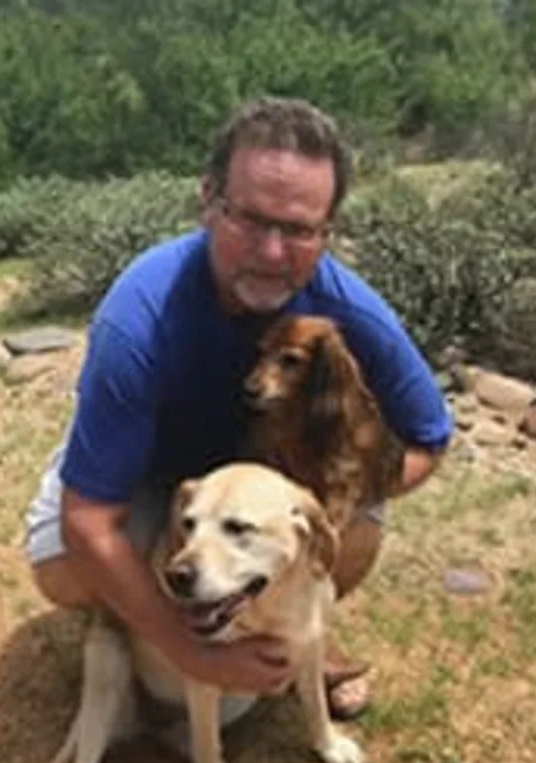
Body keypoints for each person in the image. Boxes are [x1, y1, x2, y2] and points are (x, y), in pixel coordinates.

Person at [24, 97, 452, 721]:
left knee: (352, 523)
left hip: (263, 479)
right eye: (250, 220)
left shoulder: (346, 313)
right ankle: (138, 628)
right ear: (208, 201)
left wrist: (337, 498)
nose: (273, 252)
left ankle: (295, 627)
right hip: (147, 469)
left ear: (326, 231)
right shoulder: (139, 317)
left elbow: (429, 437)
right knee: (64, 564)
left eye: (300, 230)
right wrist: (191, 656)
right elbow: (87, 519)